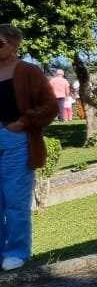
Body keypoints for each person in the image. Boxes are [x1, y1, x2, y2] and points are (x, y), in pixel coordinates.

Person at [0, 25, 58, 271]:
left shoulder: (28, 71)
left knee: (15, 200)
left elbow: (50, 105)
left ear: (14, 45)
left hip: (16, 138)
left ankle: (16, 251)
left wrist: (22, 123)